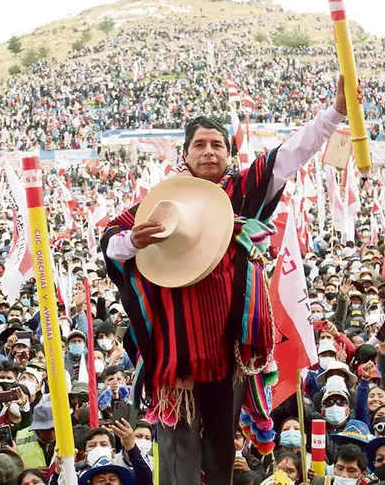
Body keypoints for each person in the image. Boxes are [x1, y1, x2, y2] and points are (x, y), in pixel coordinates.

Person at [102, 77, 350, 485]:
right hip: (174, 359)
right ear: (185, 154)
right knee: (178, 457)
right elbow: (111, 244)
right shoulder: (160, 202)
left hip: (228, 358)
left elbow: (290, 154)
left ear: (229, 154)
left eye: (217, 144)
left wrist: (335, 112)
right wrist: (131, 241)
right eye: (199, 144)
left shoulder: (238, 193)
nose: (209, 151)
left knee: (220, 453)